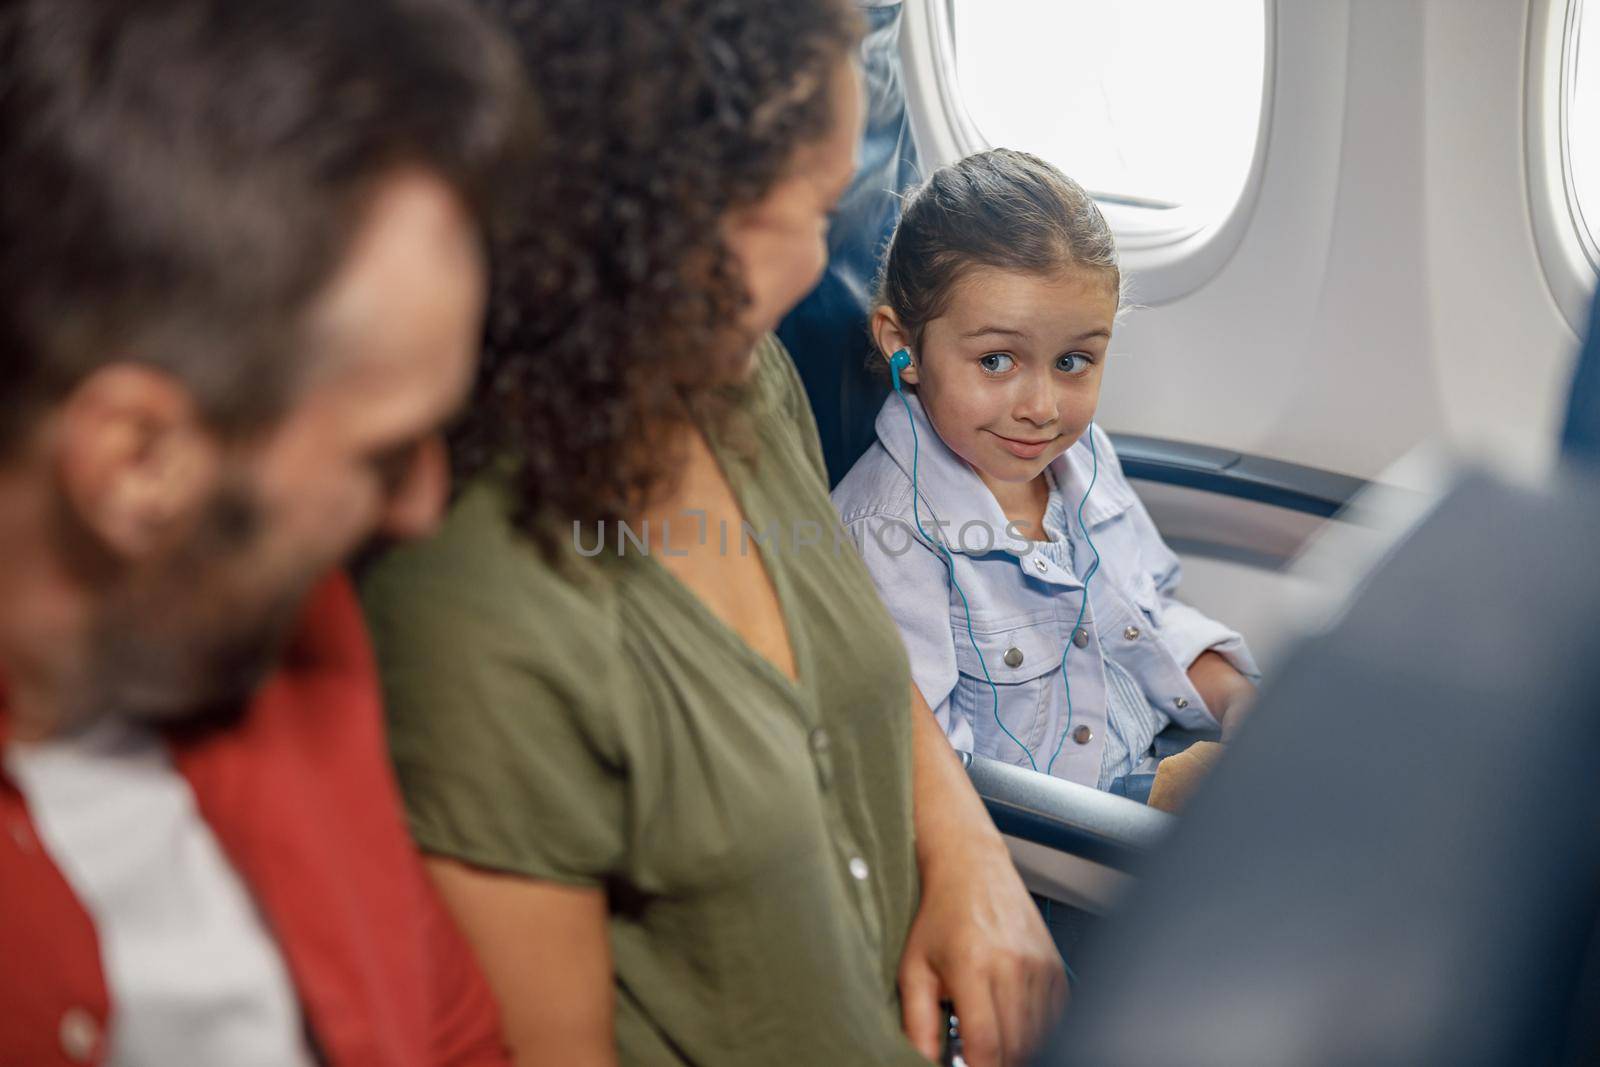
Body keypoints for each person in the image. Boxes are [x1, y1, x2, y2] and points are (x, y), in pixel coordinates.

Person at [359, 2, 1064, 1064]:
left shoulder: (741, 377)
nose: (819, 271)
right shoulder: (475, 606)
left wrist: (970, 853)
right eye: (813, 215)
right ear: (657, 222)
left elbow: (840, 652)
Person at [0, 1, 529, 1063]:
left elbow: (449, 1025)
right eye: (384, 454)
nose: (424, 508)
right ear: (137, 462)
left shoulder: (286, 624)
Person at [831, 149, 1259, 794]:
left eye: (1073, 362)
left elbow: (1149, 612)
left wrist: (1241, 704)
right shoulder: (889, 533)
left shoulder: (1081, 457)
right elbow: (927, 782)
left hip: (1152, 757)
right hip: (1049, 841)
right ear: (904, 346)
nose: (1042, 410)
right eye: (998, 360)